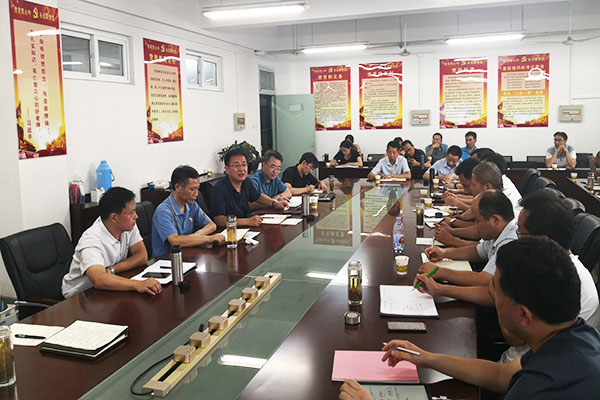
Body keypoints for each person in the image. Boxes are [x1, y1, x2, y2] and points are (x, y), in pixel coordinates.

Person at [340, 237, 600, 400]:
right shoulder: (576, 336)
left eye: (495, 290)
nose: (492, 295)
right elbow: (500, 375)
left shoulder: (541, 389)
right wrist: (425, 357)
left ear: (524, 314)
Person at [62, 187, 162, 298]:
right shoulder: (91, 240)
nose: (136, 216)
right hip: (79, 297)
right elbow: (98, 279)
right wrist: (137, 284)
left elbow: (142, 256)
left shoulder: (128, 226)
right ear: (114, 217)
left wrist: (112, 269)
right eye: (131, 213)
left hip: (107, 288)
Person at [421, 190, 517, 289]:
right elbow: (476, 251)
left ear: (495, 220)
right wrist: (444, 253)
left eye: (477, 220)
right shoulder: (498, 232)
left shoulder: (509, 243)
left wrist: (439, 272)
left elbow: (484, 280)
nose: (475, 225)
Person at [152, 165, 225, 258]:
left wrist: (196, 235)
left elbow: (211, 225)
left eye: (197, 189)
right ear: (178, 187)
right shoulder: (163, 211)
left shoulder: (191, 204)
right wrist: (208, 238)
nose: (196, 194)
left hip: (187, 255)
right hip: (166, 260)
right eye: (192, 189)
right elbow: (175, 241)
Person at [211, 148, 289, 227]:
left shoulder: (246, 182)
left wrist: (275, 203)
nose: (241, 169)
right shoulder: (219, 188)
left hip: (247, 227)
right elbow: (219, 220)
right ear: (227, 169)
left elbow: (259, 197)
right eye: (237, 165)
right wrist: (247, 221)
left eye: (244, 165)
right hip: (230, 230)